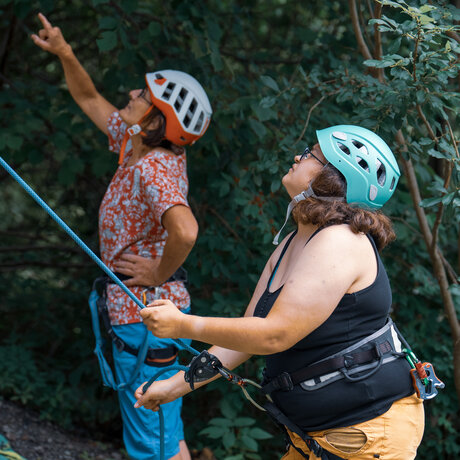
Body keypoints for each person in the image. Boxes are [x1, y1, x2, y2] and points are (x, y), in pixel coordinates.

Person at [134, 126, 426, 459]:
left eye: (309, 154)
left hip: (367, 434)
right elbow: (249, 332)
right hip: (318, 435)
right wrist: (177, 385)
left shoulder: (341, 240)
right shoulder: (292, 242)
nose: (297, 157)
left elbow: (275, 335)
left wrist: (183, 325)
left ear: (334, 178)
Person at [31, 13, 212, 460]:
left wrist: (154, 273)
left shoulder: (153, 167)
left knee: (150, 438)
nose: (131, 95)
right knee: (162, 430)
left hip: (145, 316)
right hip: (145, 317)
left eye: (143, 95)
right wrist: (65, 52)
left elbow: (185, 230)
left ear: (157, 120)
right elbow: (89, 97)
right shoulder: (135, 146)